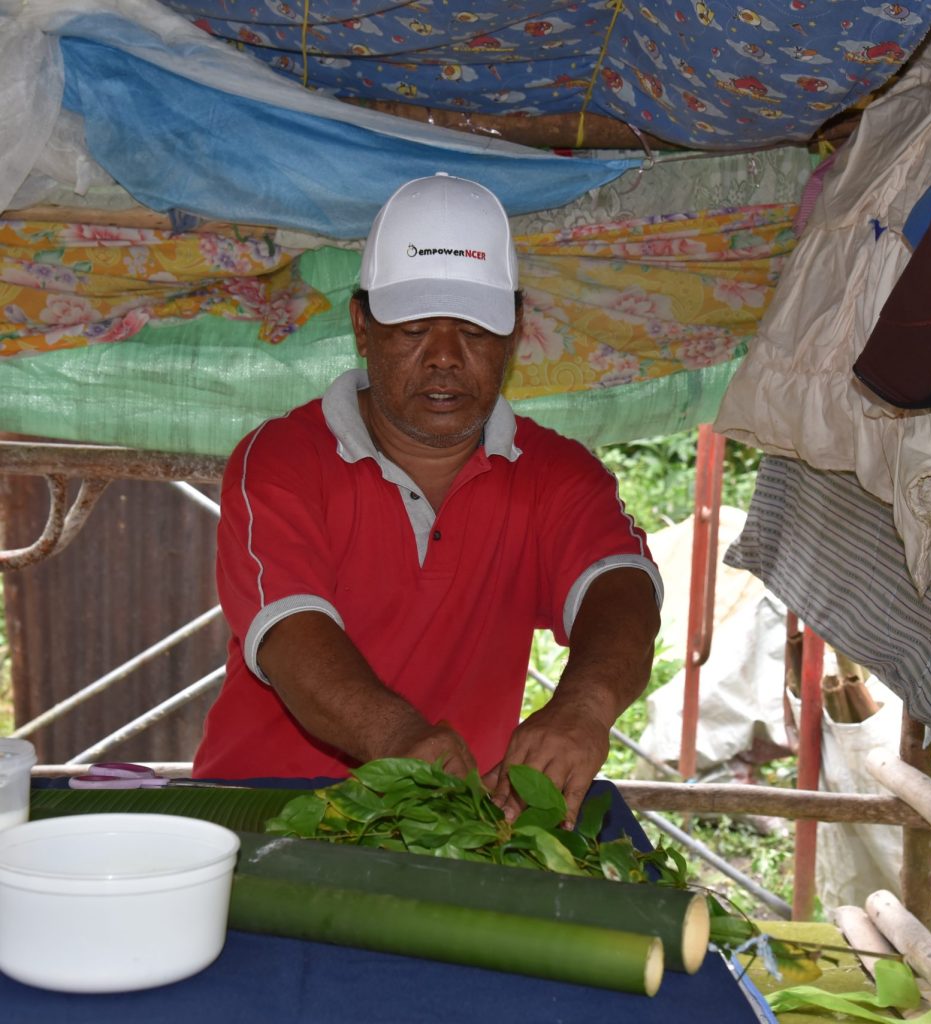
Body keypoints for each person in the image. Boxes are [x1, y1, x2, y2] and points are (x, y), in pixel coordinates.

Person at [192, 172, 662, 827]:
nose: (444, 357)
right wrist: (396, 736)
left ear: (515, 331)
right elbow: (292, 637)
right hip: (262, 812)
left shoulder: (558, 475)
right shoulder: (279, 462)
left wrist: (584, 704)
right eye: (413, 328)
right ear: (362, 324)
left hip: (452, 825)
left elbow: (623, 584)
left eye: (474, 330)